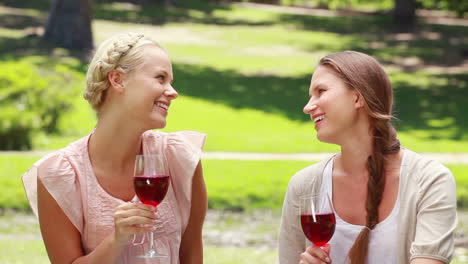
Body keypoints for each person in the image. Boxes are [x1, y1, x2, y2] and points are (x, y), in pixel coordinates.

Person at [22, 32, 207, 264]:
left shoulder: (180, 159)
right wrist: (117, 239)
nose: (173, 92)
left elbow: (192, 256)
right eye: (160, 78)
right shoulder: (59, 175)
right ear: (118, 79)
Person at [278, 51, 457, 264]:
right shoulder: (305, 186)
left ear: (357, 97)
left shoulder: (429, 181)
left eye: (321, 91)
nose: (307, 107)